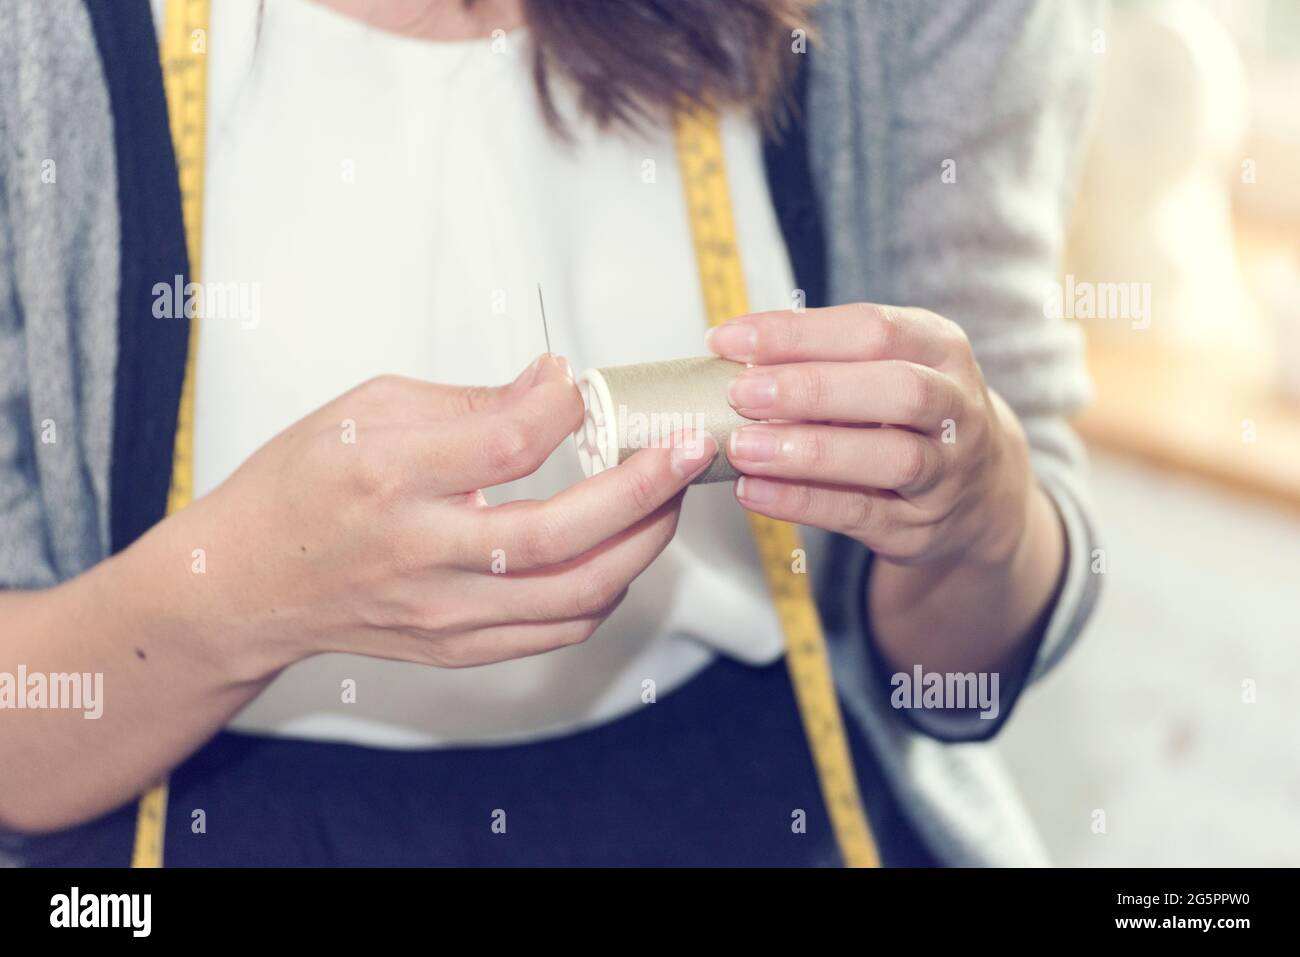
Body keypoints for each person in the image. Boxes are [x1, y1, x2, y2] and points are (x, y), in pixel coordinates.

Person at [0, 0, 1101, 866]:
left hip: (759, 789)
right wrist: (234, 598)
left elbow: (953, 672)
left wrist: (981, 515)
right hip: (200, 815)